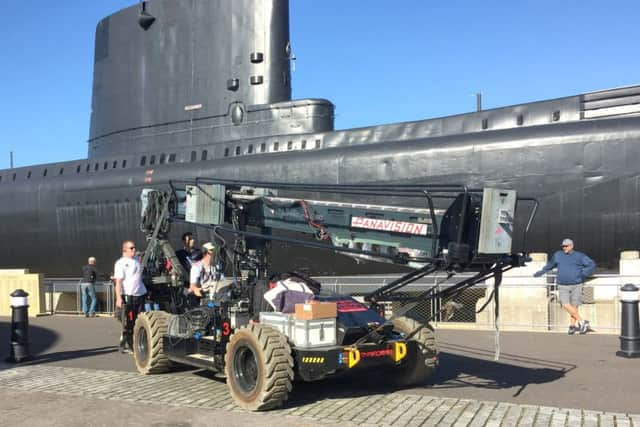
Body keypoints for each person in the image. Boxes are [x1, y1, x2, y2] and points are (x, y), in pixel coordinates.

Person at [534, 238, 596, 335]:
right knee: (565, 304)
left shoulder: (580, 256)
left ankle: (572, 326)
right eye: (563, 246)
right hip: (562, 284)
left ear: (571, 246)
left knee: (574, 306)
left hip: (576, 284)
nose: (564, 248)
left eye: (566, 246)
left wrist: (583, 274)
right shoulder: (558, 255)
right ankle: (582, 321)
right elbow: (550, 265)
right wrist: (542, 271)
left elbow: (591, 264)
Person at [114, 240, 148, 353]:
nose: (134, 250)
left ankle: (138, 343)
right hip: (129, 295)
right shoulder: (121, 263)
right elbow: (118, 282)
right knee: (128, 322)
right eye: (131, 248)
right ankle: (126, 343)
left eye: (134, 247)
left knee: (140, 320)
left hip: (141, 294)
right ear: (125, 250)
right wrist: (119, 298)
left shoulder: (136, 261)